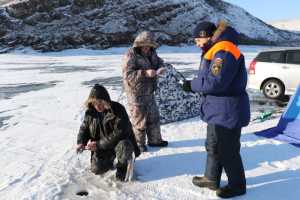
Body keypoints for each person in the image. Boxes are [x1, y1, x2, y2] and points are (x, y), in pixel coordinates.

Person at [181, 21, 250, 198]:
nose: (197, 44)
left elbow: (216, 82)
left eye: (198, 40)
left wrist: (192, 85)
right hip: (217, 109)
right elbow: (211, 77)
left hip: (228, 110)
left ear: (206, 36)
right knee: (213, 145)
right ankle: (211, 178)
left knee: (228, 150)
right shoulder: (215, 49)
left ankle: (237, 185)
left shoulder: (224, 50)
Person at [76, 84, 140, 181]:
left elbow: (121, 132)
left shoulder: (118, 109)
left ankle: (123, 165)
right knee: (97, 169)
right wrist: (81, 142)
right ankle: (110, 159)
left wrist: (98, 145)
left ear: (106, 101)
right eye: (95, 103)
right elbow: (84, 129)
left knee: (124, 145)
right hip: (103, 146)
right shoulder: (90, 113)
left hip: (118, 144)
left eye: (101, 102)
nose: (98, 106)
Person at [122, 31, 168, 152]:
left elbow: (159, 61)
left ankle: (155, 140)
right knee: (139, 120)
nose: (147, 48)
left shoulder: (152, 53)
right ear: (139, 44)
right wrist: (144, 73)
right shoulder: (130, 55)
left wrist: (161, 67)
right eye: (145, 45)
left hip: (149, 91)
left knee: (153, 117)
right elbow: (128, 75)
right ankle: (138, 144)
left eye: (149, 45)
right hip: (136, 93)